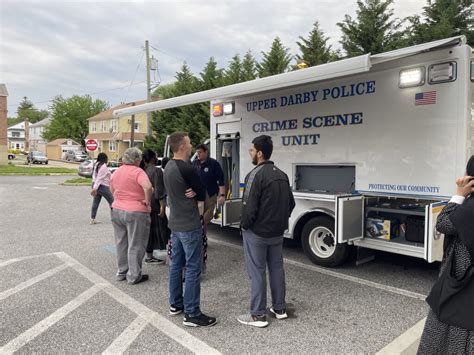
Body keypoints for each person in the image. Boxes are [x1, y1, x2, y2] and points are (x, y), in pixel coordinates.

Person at [237, 135, 295, 328]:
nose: (250, 154)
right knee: (277, 269)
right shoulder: (282, 174)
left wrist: (244, 225)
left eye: (251, 150)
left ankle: (258, 315)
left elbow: (248, 207)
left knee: (257, 272)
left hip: (257, 233)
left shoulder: (255, 175)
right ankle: (279, 309)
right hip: (277, 233)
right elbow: (291, 203)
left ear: (260, 153)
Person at [418, 156, 474, 354]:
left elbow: (442, 222)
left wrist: (459, 194)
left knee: (451, 340)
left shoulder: (469, 209)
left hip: (460, 292)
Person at [163, 132, 217, 327]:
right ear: (182, 146)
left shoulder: (168, 165)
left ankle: (176, 304)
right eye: (189, 142)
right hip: (189, 224)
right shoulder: (188, 168)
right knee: (193, 268)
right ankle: (192, 313)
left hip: (175, 224)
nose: (191, 144)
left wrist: (193, 191)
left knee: (176, 264)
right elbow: (203, 193)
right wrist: (196, 192)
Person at [110, 147, 153, 285]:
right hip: (136, 211)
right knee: (136, 243)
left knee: (121, 242)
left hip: (117, 209)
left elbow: (112, 188)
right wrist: (147, 201)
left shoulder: (117, 172)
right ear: (137, 160)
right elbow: (148, 187)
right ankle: (134, 275)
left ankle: (122, 271)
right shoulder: (138, 171)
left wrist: (119, 199)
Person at [192, 144, 225, 269]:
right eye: (197, 152)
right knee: (198, 217)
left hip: (210, 194)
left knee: (207, 216)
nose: (198, 154)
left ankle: (202, 236)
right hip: (197, 195)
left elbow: (221, 179)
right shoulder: (194, 164)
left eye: (200, 152)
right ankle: (201, 238)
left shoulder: (213, 164)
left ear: (206, 152)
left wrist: (222, 194)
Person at [141, 148, 169, 264]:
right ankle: (169, 254)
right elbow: (159, 191)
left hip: (143, 203)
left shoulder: (141, 171)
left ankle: (149, 255)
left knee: (148, 230)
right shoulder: (157, 171)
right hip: (155, 204)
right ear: (153, 158)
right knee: (163, 230)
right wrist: (162, 206)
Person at [90, 152, 114, 225]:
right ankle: (115, 218)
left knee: (96, 202)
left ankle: (92, 219)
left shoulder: (96, 164)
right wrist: (95, 188)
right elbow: (100, 178)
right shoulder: (103, 166)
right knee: (112, 201)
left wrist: (94, 187)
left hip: (95, 184)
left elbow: (95, 176)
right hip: (102, 186)